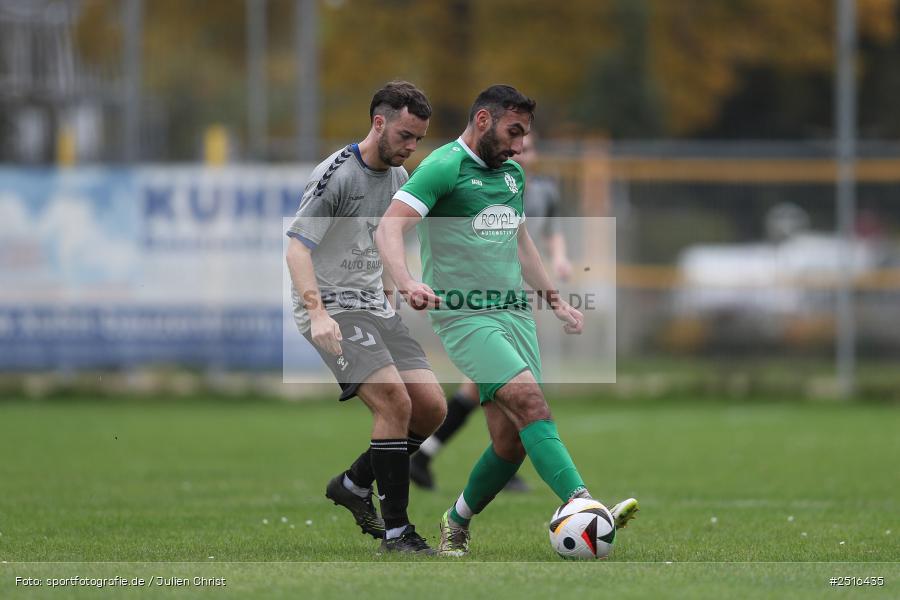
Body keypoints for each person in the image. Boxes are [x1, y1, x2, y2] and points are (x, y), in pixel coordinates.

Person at [375, 84, 638, 556]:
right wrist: (408, 279)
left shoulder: (513, 174)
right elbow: (389, 226)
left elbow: (520, 244)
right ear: (482, 121)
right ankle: (582, 503)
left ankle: (456, 520)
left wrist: (555, 300)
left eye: (524, 136)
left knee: (510, 443)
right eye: (513, 132)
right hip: (465, 317)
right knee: (531, 402)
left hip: (515, 313)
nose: (519, 146)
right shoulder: (442, 166)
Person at [285, 81, 446, 554]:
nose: (411, 147)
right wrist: (317, 314)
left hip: (374, 306)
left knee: (432, 408)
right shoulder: (337, 175)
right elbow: (296, 248)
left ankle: (355, 484)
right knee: (394, 403)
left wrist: (401, 287)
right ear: (379, 123)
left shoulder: (398, 179)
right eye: (405, 136)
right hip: (332, 307)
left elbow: (386, 240)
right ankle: (397, 532)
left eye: (418, 139)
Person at [409, 132, 573, 493]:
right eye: (517, 144)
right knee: (514, 395)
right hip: (475, 308)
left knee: (497, 397)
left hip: (515, 301)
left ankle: (437, 460)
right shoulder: (462, 175)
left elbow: (542, 236)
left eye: (527, 147)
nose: (519, 152)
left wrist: (557, 269)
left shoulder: (535, 187)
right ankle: (575, 498)